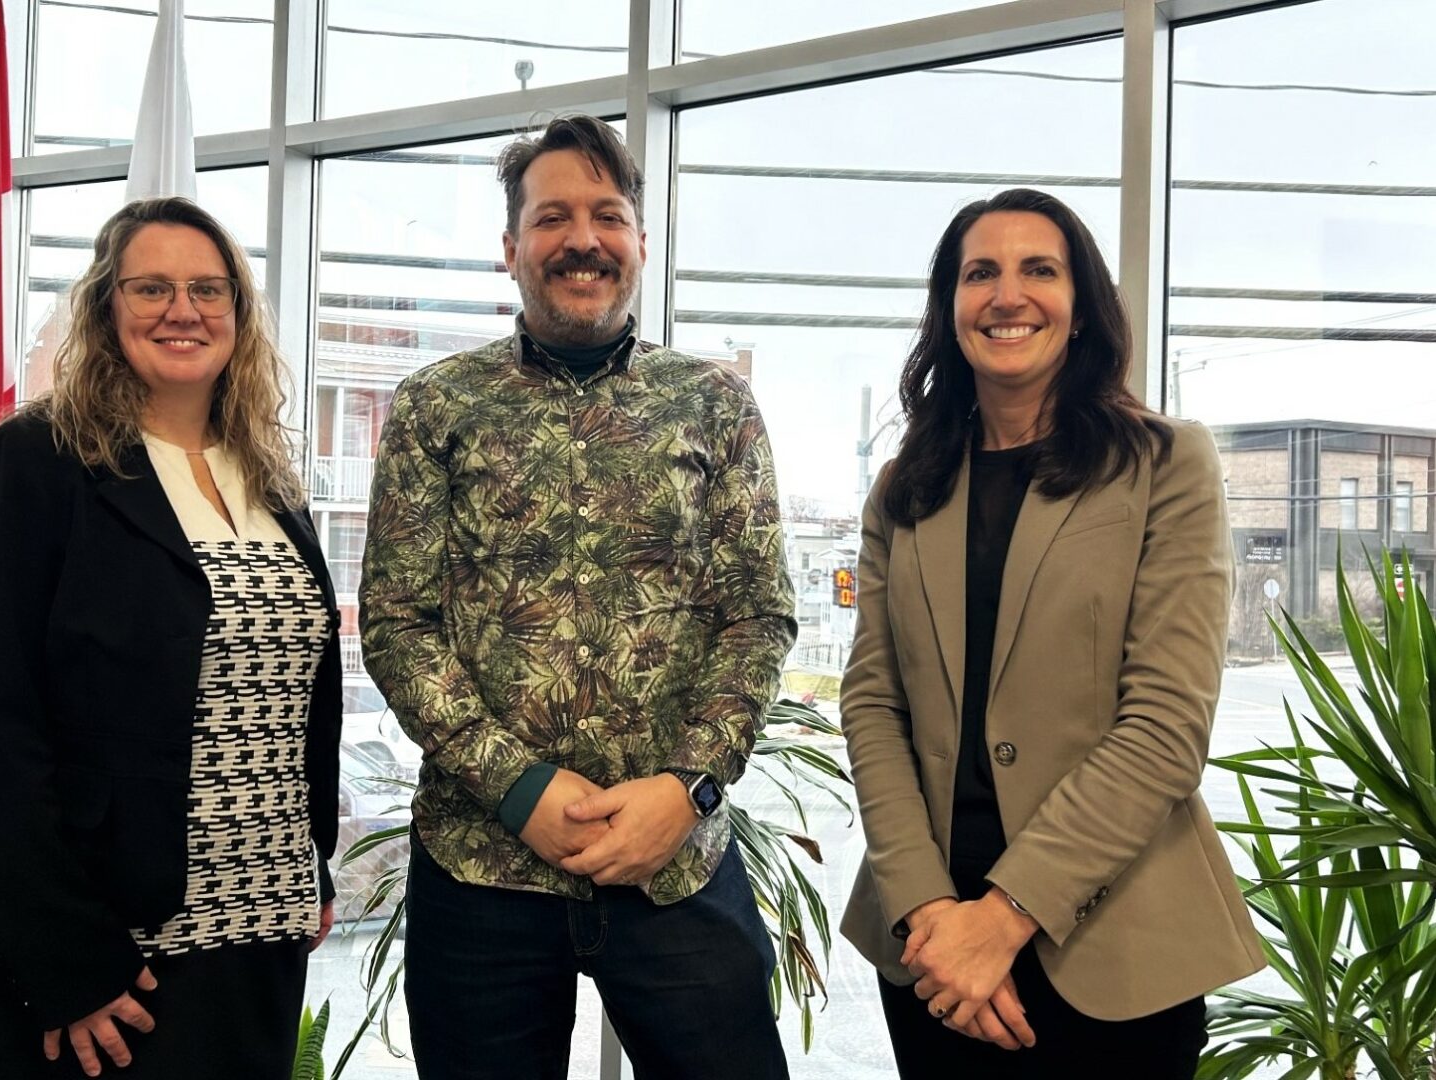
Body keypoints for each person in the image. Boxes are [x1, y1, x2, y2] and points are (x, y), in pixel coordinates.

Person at [359, 114, 798, 1080]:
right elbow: (396, 623)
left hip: (676, 860)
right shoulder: (438, 406)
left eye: (608, 215)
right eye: (553, 216)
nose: (583, 239)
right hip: (482, 869)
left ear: (641, 242)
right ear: (511, 247)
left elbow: (757, 614)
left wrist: (686, 790)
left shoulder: (715, 405)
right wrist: (518, 789)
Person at [838, 187, 1264, 1078]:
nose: (1007, 295)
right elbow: (874, 706)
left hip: (1114, 949)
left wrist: (1001, 919)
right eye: (979, 273)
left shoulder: (1165, 464)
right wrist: (929, 913)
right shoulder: (903, 487)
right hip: (931, 951)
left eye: (1040, 270)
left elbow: (1165, 727)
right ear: (948, 308)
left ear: (1082, 309)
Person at [0, 196, 342, 1079]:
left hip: (259, 924)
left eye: (207, 288)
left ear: (239, 311)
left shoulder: (273, 478)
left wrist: (311, 859)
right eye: (150, 287)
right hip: (106, 947)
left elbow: (301, 692)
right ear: (105, 306)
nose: (182, 310)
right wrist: (65, 963)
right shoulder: (36, 464)